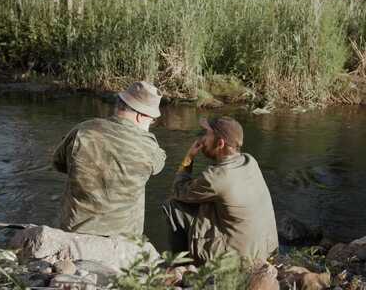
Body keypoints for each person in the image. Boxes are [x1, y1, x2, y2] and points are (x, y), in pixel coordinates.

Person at [53, 81, 166, 236]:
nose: (152, 123)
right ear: (141, 116)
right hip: (122, 238)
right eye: (152, 119)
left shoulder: (83, 129)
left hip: (74, 232)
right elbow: (159, 166)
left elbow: (58, 164)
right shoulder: (149, 147)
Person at [163, 116, 278, 263]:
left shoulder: (216, 178)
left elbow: (177, 190)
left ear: (220, 143)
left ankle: (181, 265)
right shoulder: (250, 161)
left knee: (173, 205)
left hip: (241, 258)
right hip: (266, 250)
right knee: (205, 203)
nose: (203, 139)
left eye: (207, 135)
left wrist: (189, 157)